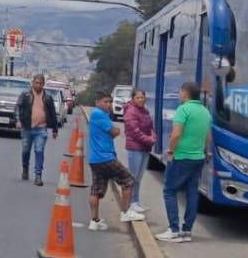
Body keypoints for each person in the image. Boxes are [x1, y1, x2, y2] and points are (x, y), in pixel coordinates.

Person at [155, 82, 213, 244]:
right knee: (192, 193)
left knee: (169, 190)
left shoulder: (183, 109)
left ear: (186, 94)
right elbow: (208, 136)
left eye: (181, 92)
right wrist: (206, 151)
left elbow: (176, 134)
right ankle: (187, 231)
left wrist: (171, 152)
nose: (180, 95)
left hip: (181, 157)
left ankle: (173, 230)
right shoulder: (205, 111)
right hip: (198, 158)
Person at [86, 92, 143, 231]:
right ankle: (126, 212)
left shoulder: (98, 114)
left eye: (109, 102)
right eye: (105, 102)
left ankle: (94, 221)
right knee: (128, 180)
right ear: (97, 102)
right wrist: (117, 129)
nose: (108, 104)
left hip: (95, 158)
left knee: (96, 189)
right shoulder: (99, 114)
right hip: (106, 157)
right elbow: (114, 132)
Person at [16, 73, 60, 186]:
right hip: (27, 128)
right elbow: (18, 108)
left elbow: (53, 114)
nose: (38, 85)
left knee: (39, 150)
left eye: (40, 83)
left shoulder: (48, 98)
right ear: (32, 83)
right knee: (25, 150)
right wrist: (18, 120)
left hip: (41, 129)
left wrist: (55, 130)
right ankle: (25, 168)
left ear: (43, 84)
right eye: (36, 83)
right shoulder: (25, 95)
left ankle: (38, 176)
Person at [123, 89, 154, 213]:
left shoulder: (145, 111)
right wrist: (148, 139)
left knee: (139, 177)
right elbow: (134, 131)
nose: (141, 100)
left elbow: (151, 127)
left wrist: (153, 137)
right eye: (138, 98)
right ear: (133, 99)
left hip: (145, 148)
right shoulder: (131, 112)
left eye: (142, 97)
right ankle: (130, 202)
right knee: (133, 176)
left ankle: (136, 201)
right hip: (135, 148)